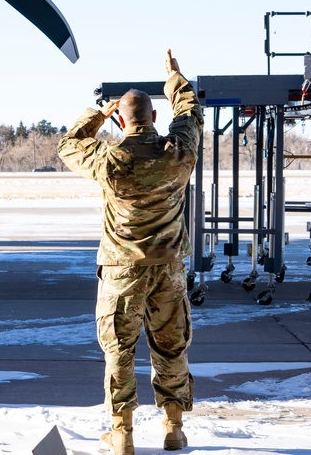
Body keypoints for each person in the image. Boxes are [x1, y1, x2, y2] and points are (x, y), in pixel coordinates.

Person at [57, 49, 203, 454]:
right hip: (168, 271)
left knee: (120, 350)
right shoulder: (179, 153)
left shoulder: (108, 159)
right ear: (154, 118)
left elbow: (68, 145)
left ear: (122, 119)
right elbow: (189, 115)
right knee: (171, 346)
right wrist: (174, 79)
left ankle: (122, 433)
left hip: (122, 271)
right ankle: (173, 428)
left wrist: (99, 116)